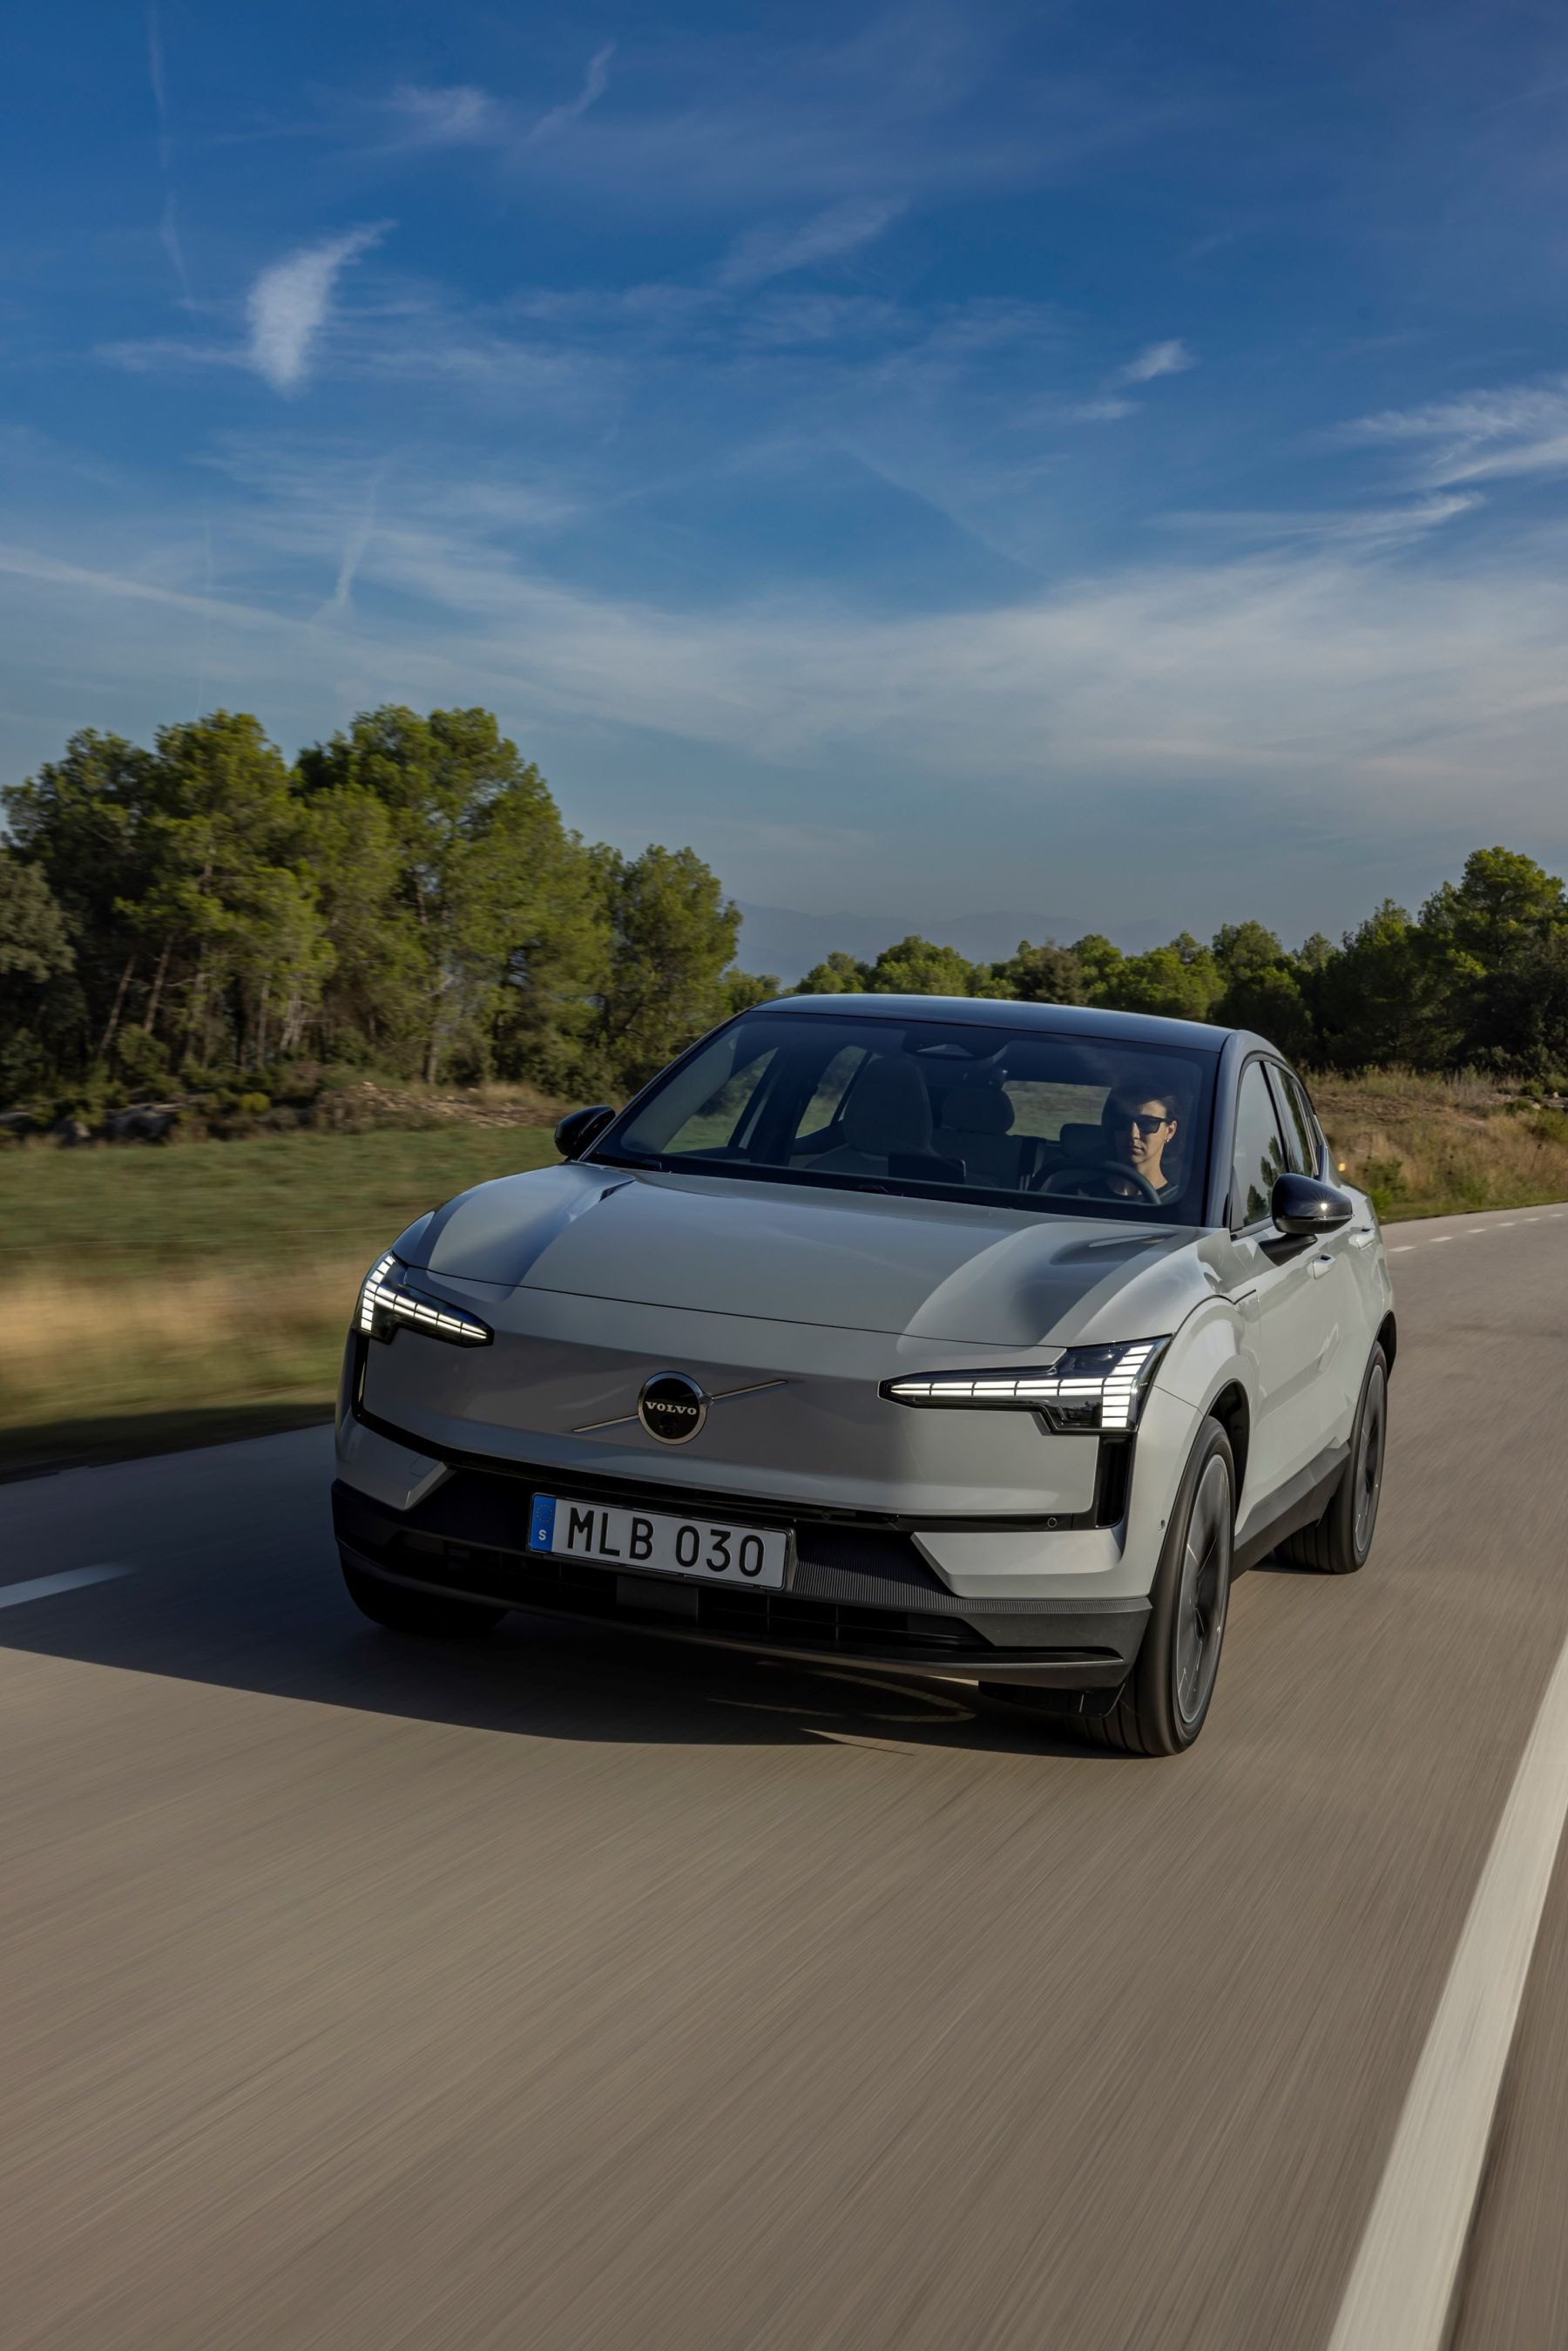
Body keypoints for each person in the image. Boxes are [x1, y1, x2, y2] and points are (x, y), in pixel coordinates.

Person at [1103, 1080, 1183, 1202]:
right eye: (1122, 1121)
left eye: (1147, 1123)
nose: (1133, 1134)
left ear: (1170, 1130)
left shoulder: (1180, 1205)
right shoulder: (1077, 1196)